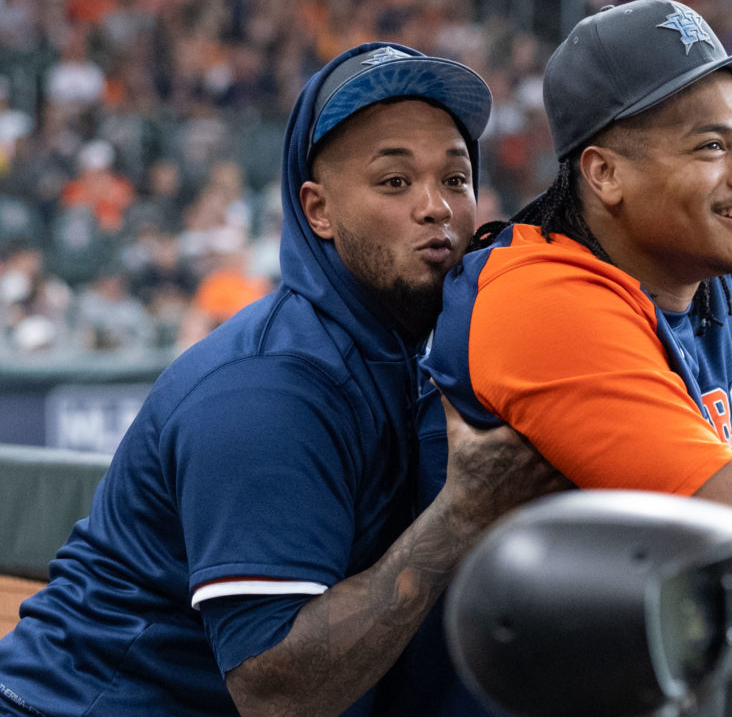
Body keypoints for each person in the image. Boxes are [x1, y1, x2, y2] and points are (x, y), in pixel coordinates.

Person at [0, 42, 567, 716]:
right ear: (318, 210)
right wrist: (464, 513)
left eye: (454, 179)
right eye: (393, 182)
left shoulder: (420, 347)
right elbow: (279, 694)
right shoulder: (271, 389)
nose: (435, 206)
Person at [423, 0, 732, 527]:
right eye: (711, 146)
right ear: (606, 175)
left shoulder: (691, 270)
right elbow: (731, 523)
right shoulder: (540, 296)